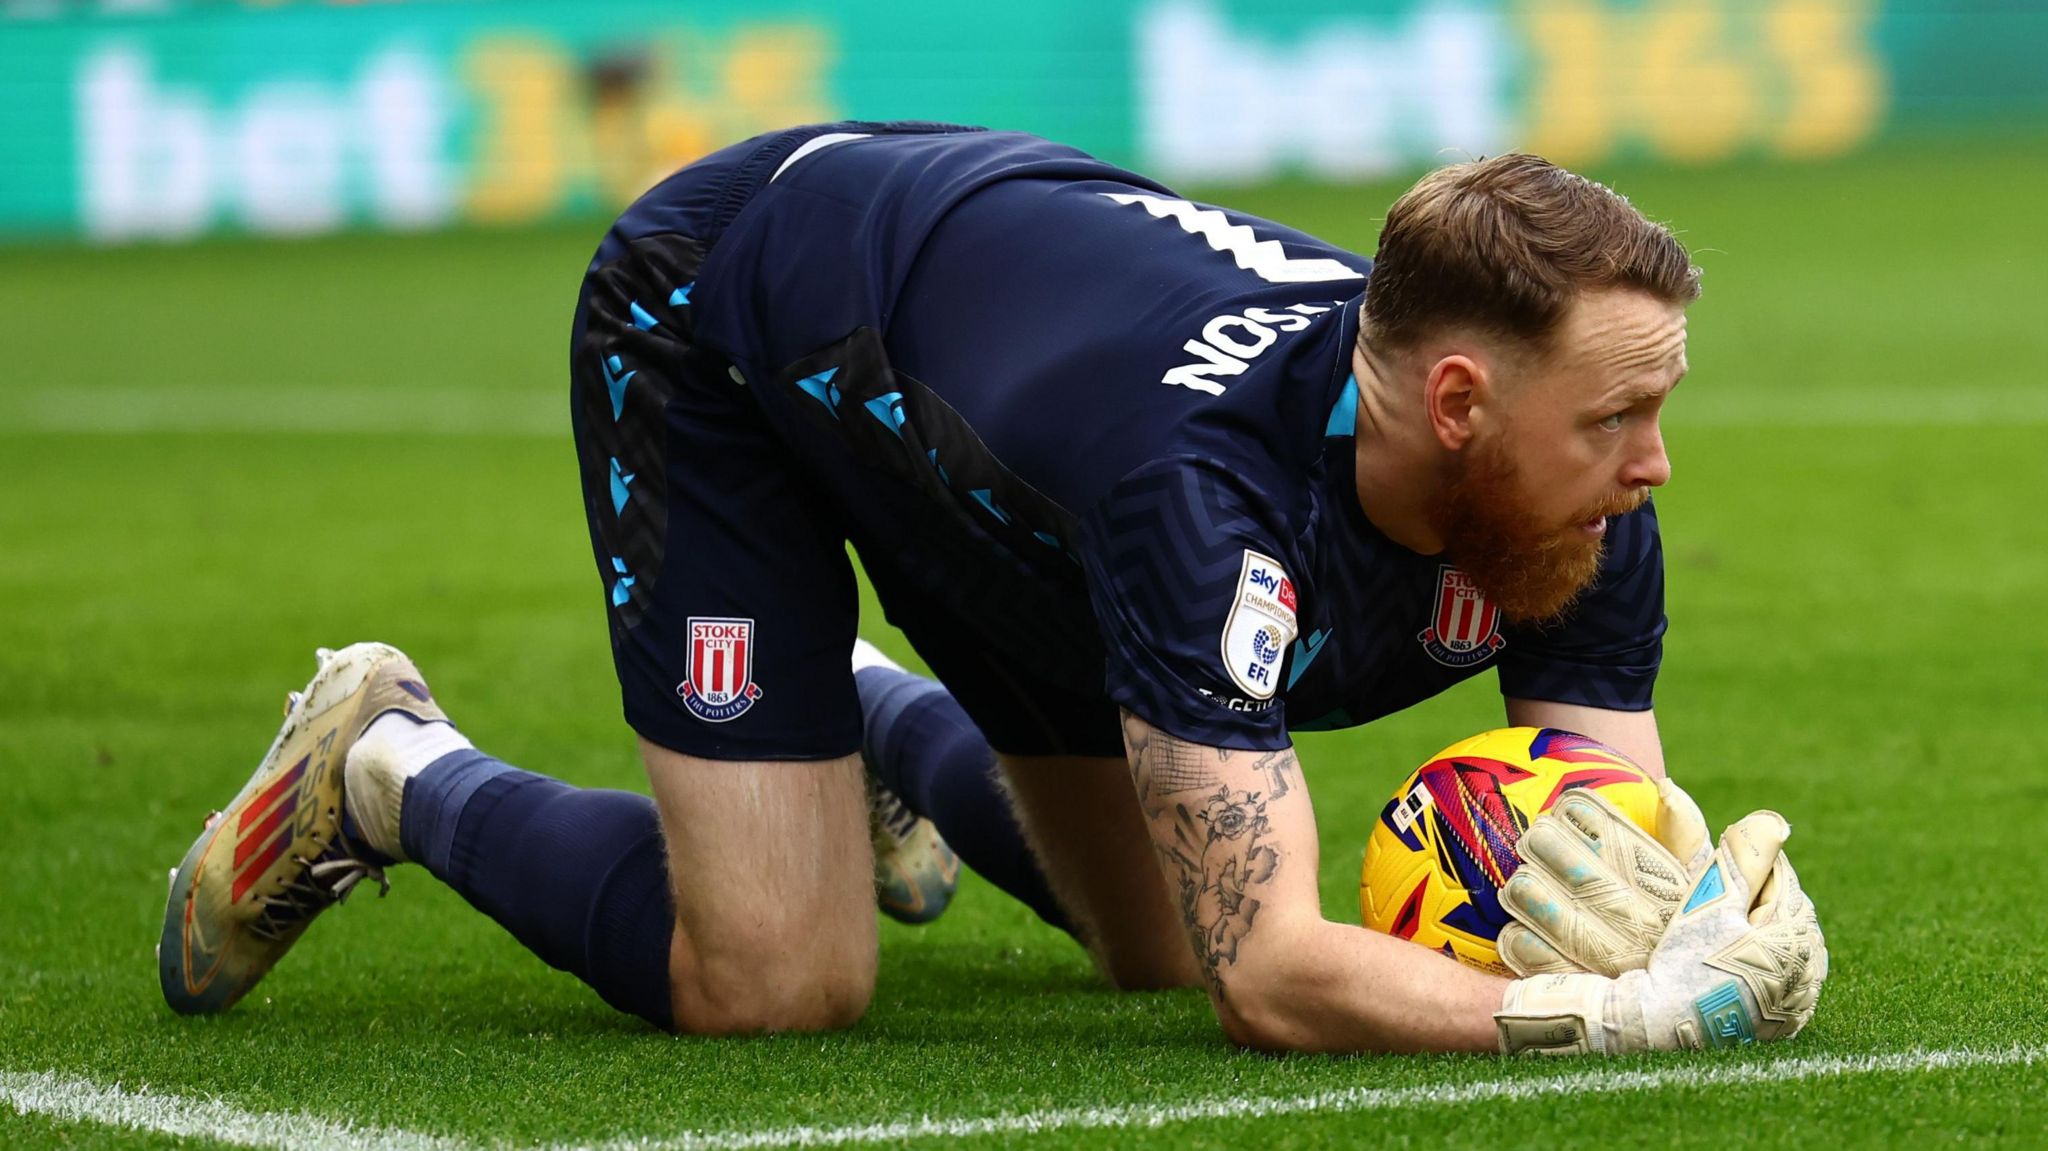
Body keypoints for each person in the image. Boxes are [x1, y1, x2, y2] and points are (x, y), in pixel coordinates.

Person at [158, 121, 1826, 1055]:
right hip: (738, 323)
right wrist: (1607, 1019)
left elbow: (1603, 817)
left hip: (1005, 445)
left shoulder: (1572, 486)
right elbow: (1278, 981)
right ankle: (385, 765)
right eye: (1620, 414)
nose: (1655, 459)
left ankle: (868, 724)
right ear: (1458, 403)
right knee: (779, 985)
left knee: (1160, 943)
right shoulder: (1209, 507)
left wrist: (1683, 917)